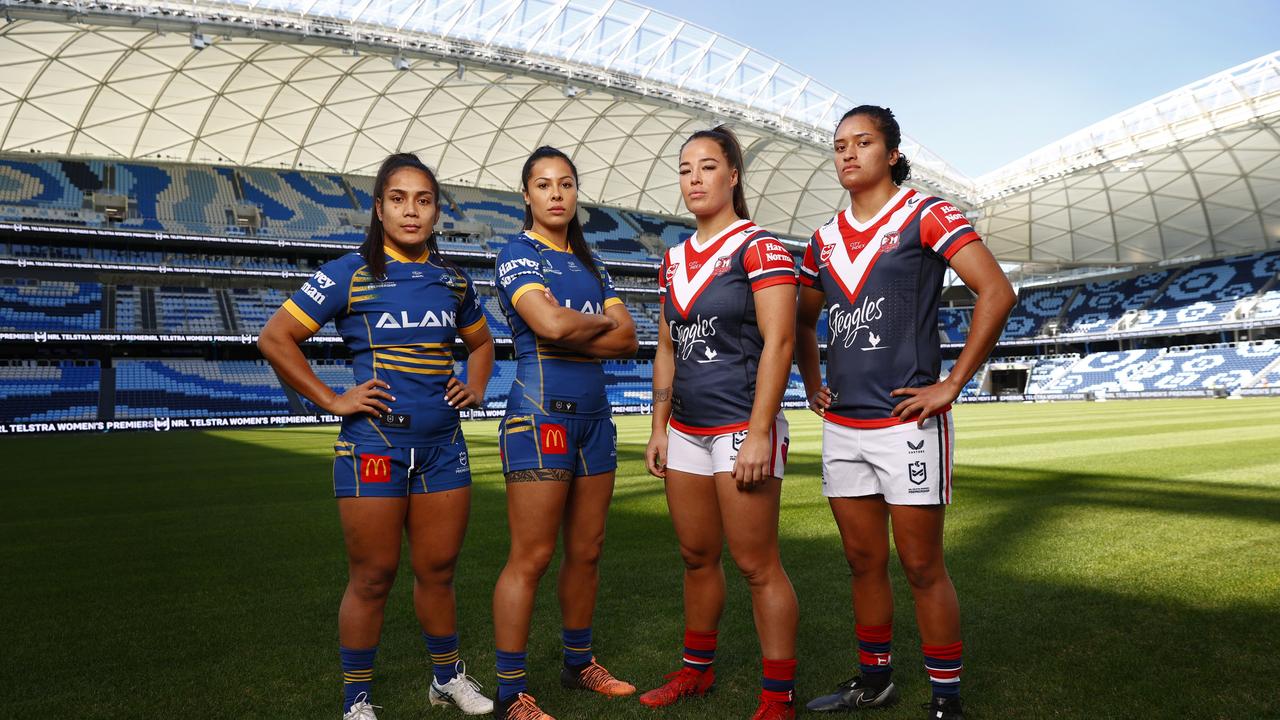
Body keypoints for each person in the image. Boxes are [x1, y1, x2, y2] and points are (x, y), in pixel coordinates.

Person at [795, 106, 1015, 720]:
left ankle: (947, 701)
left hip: (907, 422)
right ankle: (875, 681)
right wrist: (813, 381)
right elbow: (802, 318)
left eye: (862, 143)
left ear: (891, 153)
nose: (848, 154)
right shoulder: (822, 239)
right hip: (844, 427)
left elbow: (996, 292)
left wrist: (951, 383)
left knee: (921, 565)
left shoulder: (927, 214)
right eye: (839, 145)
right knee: (863, 562)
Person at [258, 153, 496, 720]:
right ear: (379, 207)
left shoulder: (452, 280)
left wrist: (476, 384)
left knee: (438, 572)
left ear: (437, 210)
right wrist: (333, 399)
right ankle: (357, 699)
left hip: (443, 448)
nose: (411, 211)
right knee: (372, 577)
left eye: (423, 199)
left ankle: (446, 679)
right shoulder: (347, 273)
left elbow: (482, 345)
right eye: (398, 198)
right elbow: (275, 337)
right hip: (373, 447)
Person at [640, 125, 801, 720]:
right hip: (684, 430)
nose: (694, 179)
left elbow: (781, 341)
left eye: (707, 167)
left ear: (732, 175)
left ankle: (777, 699)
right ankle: (696, 671)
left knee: (757, 565)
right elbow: (665, 345)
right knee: (695, 556)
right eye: (684, 169)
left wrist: (759, 432)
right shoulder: (674, 258)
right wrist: (659, 427)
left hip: (741, 427)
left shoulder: (760, 248)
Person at [490, 146, 640, 720]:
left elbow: (628, 341)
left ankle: (579, 665)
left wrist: (586, 325)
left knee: (588, 550)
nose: (556, 194)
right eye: (544, 185)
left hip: (595, 418)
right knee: (532, 555)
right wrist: (596, 323)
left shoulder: (589, 260)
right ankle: (511, 694)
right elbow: (548, 325)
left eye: (567, 184)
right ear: (526, 196)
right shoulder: (516, 254)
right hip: (540, 414)